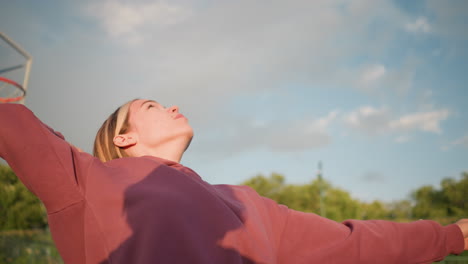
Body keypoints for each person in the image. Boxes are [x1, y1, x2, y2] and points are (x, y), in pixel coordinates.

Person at [0, 99, 467, 264]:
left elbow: (353, 244)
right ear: (123, 137)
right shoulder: (86, 179)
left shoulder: (245, 204)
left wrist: (452, 235)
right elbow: (15, 126)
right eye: (151, 106)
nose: (172, 104)